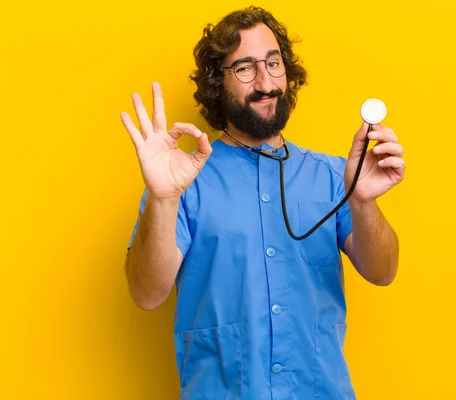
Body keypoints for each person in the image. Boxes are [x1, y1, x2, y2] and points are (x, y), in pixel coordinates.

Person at [120, 6, 405, 399]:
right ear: (216, 83)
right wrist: (163, 198)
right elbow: (146, 293)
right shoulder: (182, 181)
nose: (265, 81)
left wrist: (363, 202)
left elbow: (382, 271)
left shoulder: (334, 176)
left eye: (273, 63)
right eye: (244, 67)